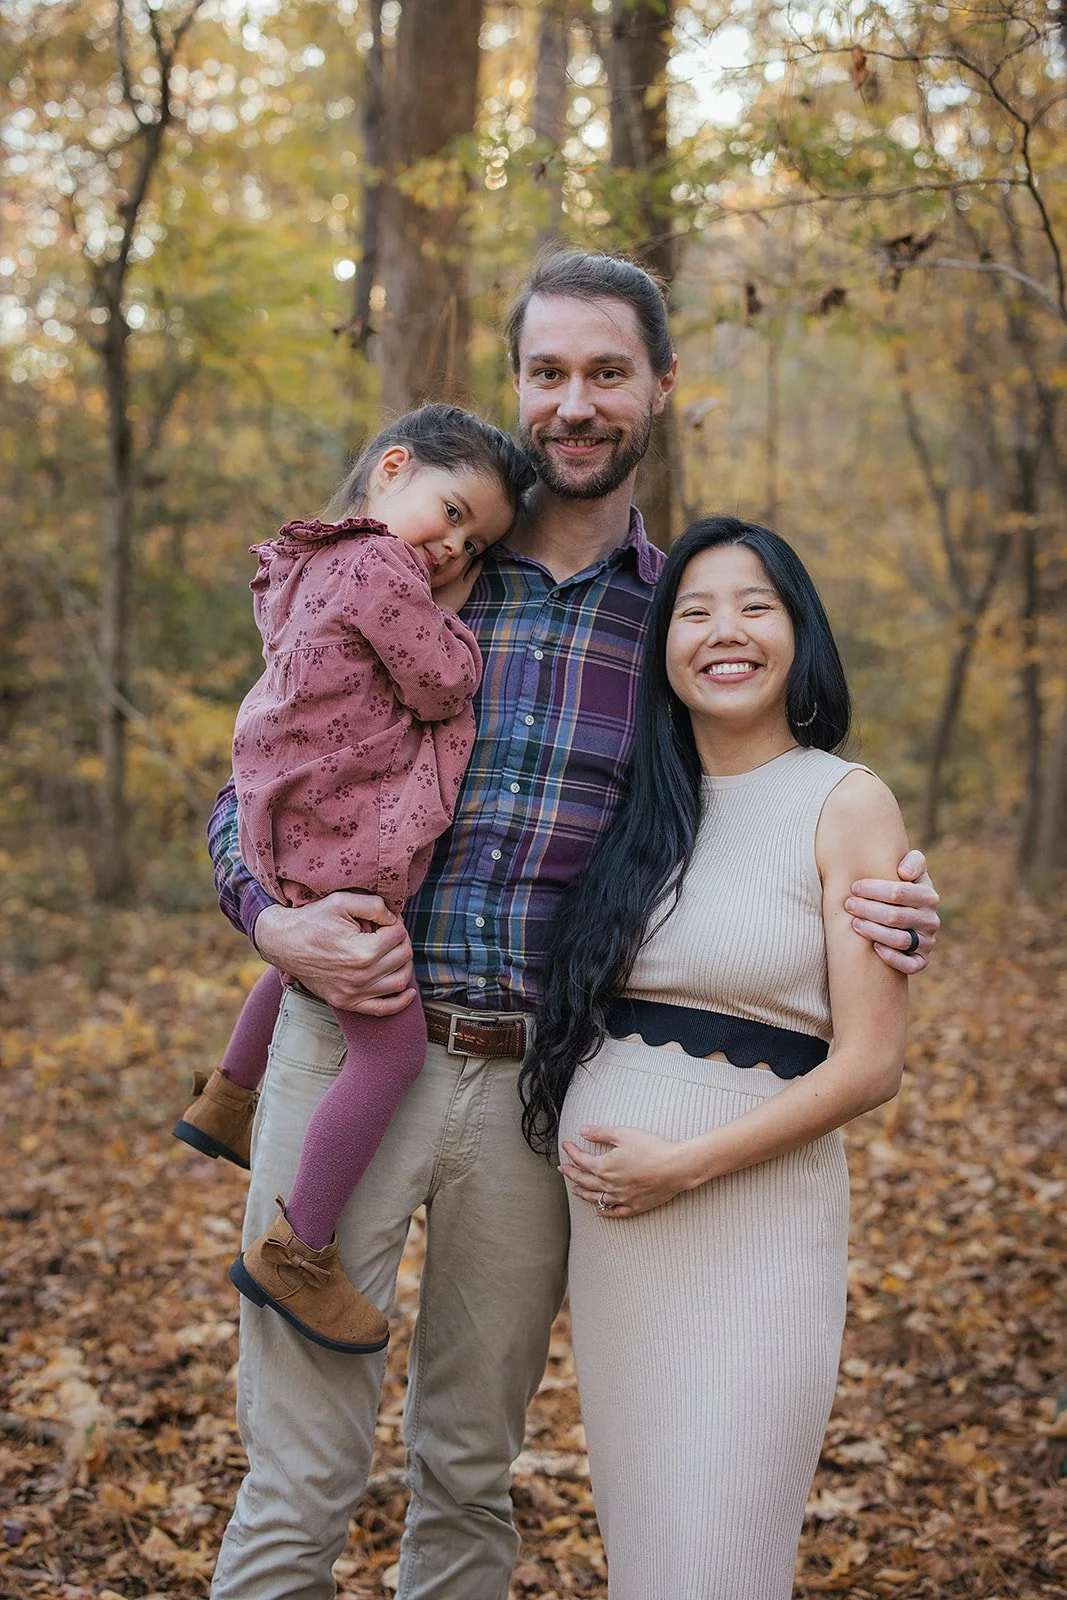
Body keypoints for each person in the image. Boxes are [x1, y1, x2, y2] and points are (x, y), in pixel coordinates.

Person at [204, 252, 939, 1600]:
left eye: (607, 372)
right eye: (548, 373)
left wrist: (887, 885)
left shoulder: (676, 616)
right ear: (519, 386)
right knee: (299, 1473)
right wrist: (271, 924)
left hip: (535, 1091)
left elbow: (754, 811)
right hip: (350, 1043)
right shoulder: (421, 564)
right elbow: (259, 775)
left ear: (659, 385)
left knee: (468, 1470)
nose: (575, 402)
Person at [520, 515, 910, 1599]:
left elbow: (870, 1063)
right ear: (662, 650)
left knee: (719, 1559)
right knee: (647, 1551)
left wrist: (681, 1165)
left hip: (753, 1229)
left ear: (798, 633)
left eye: (753, 605)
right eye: (692, 611)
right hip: (621, 1245)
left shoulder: (843, 802)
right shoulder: (637, 813)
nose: (722, 631)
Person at [175, 405, 533, 1354]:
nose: (454, 547)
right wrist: (454, 624)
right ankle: (297, 1252)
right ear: (391, 469)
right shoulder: (380, 567)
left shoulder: (310, 561)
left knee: (304, 954)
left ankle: (228, 1097)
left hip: (293, 824)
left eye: (476, 541)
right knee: (388, 1053)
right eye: (451, 512)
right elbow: (442, 685)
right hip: (341, 829)